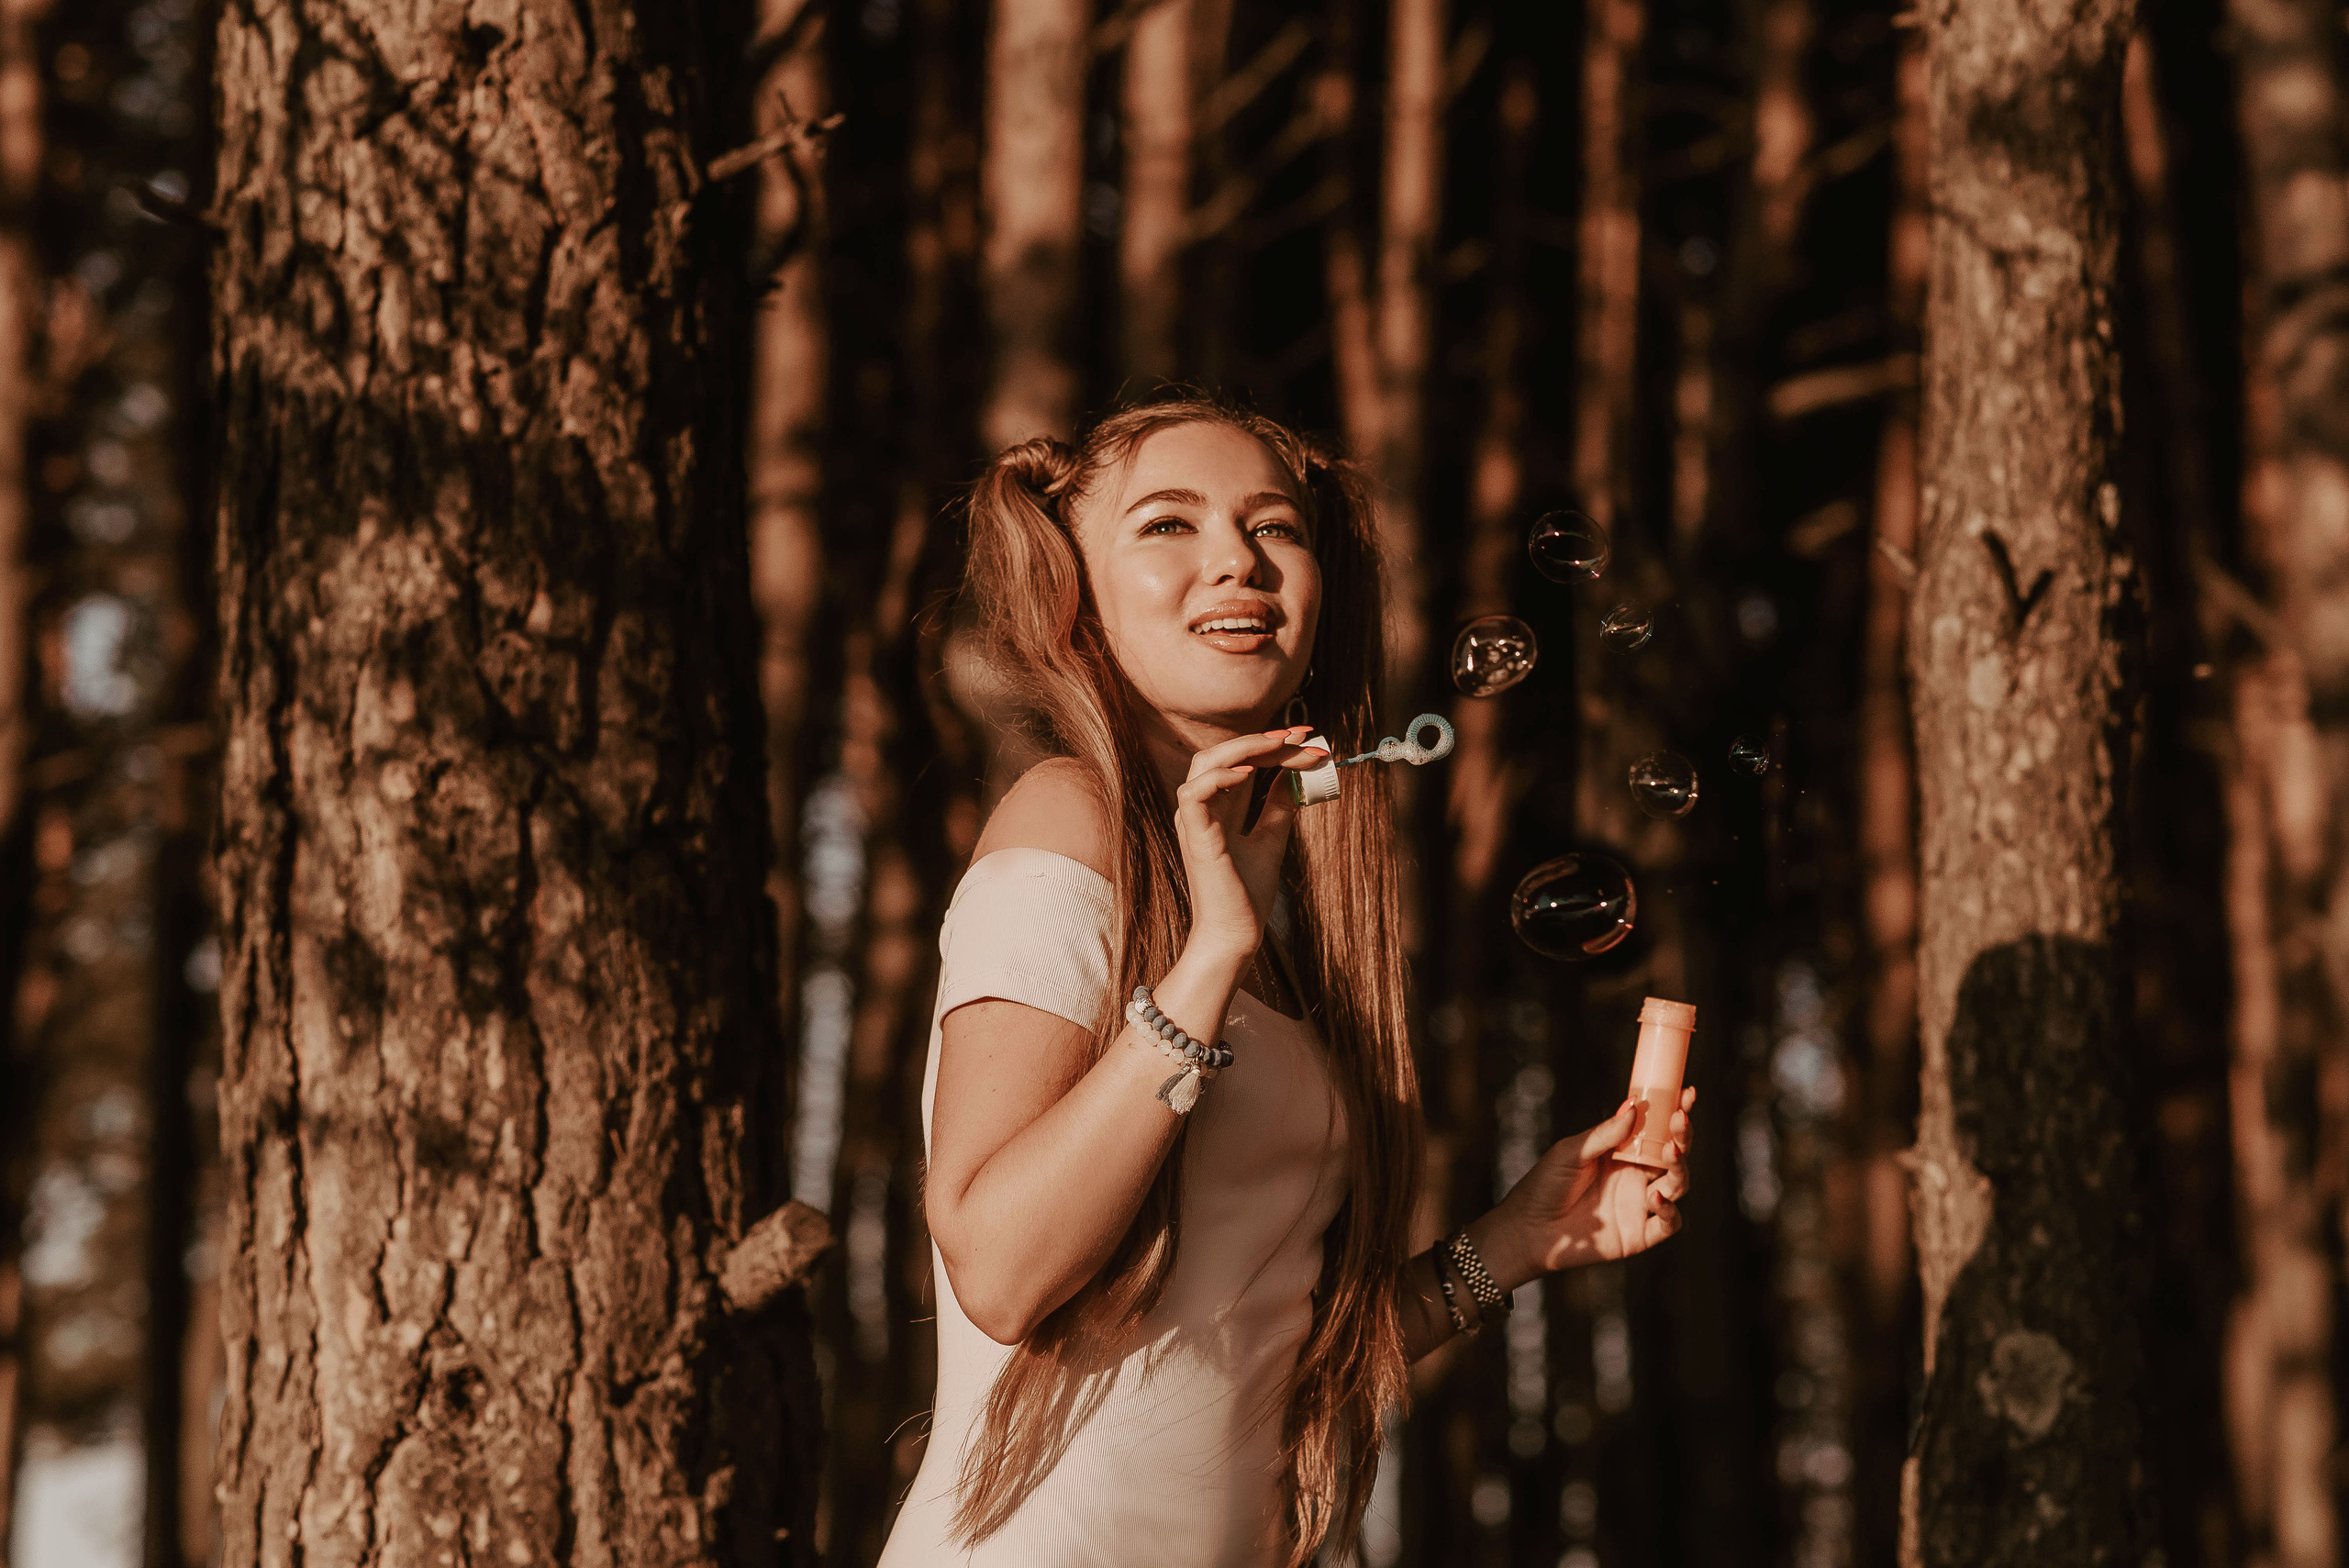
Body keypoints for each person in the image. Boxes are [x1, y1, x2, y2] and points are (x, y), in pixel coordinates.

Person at [877, 397, 1696, 1568]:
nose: (1238, 561)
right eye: (1168, 523)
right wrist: (1209, 956)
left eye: (1275, 527)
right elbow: (1001, 1269)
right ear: (1076, 598)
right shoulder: (1068, 817)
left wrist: (1517, 1238)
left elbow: (1255, 1364)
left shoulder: (1274, 897)